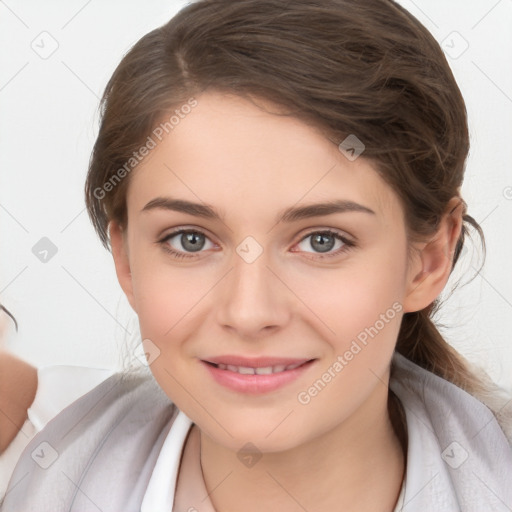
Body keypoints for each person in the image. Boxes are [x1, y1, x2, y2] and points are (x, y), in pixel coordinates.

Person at [1, 0, 512, 510]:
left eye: (322, 241)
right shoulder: (37, 444)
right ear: (127, 259)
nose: (248, 312)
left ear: (428, 259)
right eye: (190, 239)